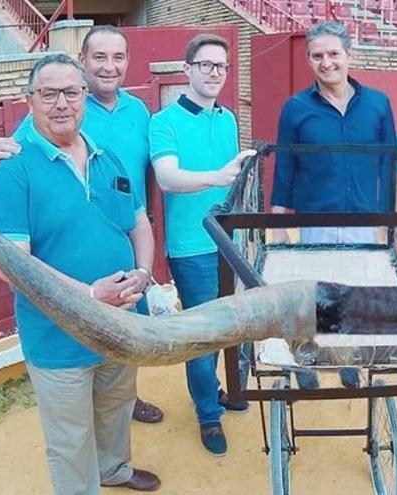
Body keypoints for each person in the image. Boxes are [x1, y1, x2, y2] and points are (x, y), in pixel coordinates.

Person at [0, 54, 161, 493]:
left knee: (116, 405)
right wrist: (91, 294)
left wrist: (142, 272)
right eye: (49, 94)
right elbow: (12, 268)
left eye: (71, 92)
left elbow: (138, 221)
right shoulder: (12, 171)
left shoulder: (108, 157)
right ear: (30, 101)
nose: (61, 103)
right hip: (57, 335)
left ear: (85, 98)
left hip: (121, 322)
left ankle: (114, 470)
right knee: (70, 437)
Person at [270, 21, 397, 389]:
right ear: (309, 60)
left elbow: (388, 163)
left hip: (363, 218)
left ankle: (345, 358)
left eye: (333, 54)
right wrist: (279, 221)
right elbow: (286, 166)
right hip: (316, 219)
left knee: (353, 291)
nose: (327, 63)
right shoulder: (295, 109)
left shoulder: (377, 104)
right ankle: (308, 357)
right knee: (316, 292)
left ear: (349, 56)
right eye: (317, 56)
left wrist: (390, 222)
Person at [148, 33, 257, 456]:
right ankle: (208, 416)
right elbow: (168, 178)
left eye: (221, 67)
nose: (214, 73)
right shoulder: (165, 121)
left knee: (233, 325)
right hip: (191, 247)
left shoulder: (228, 119)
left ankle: (218, 392)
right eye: (206, 65)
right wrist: (217, 176)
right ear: (187, 69)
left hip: (229, 244)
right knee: (202, 337)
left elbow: (233, 184)